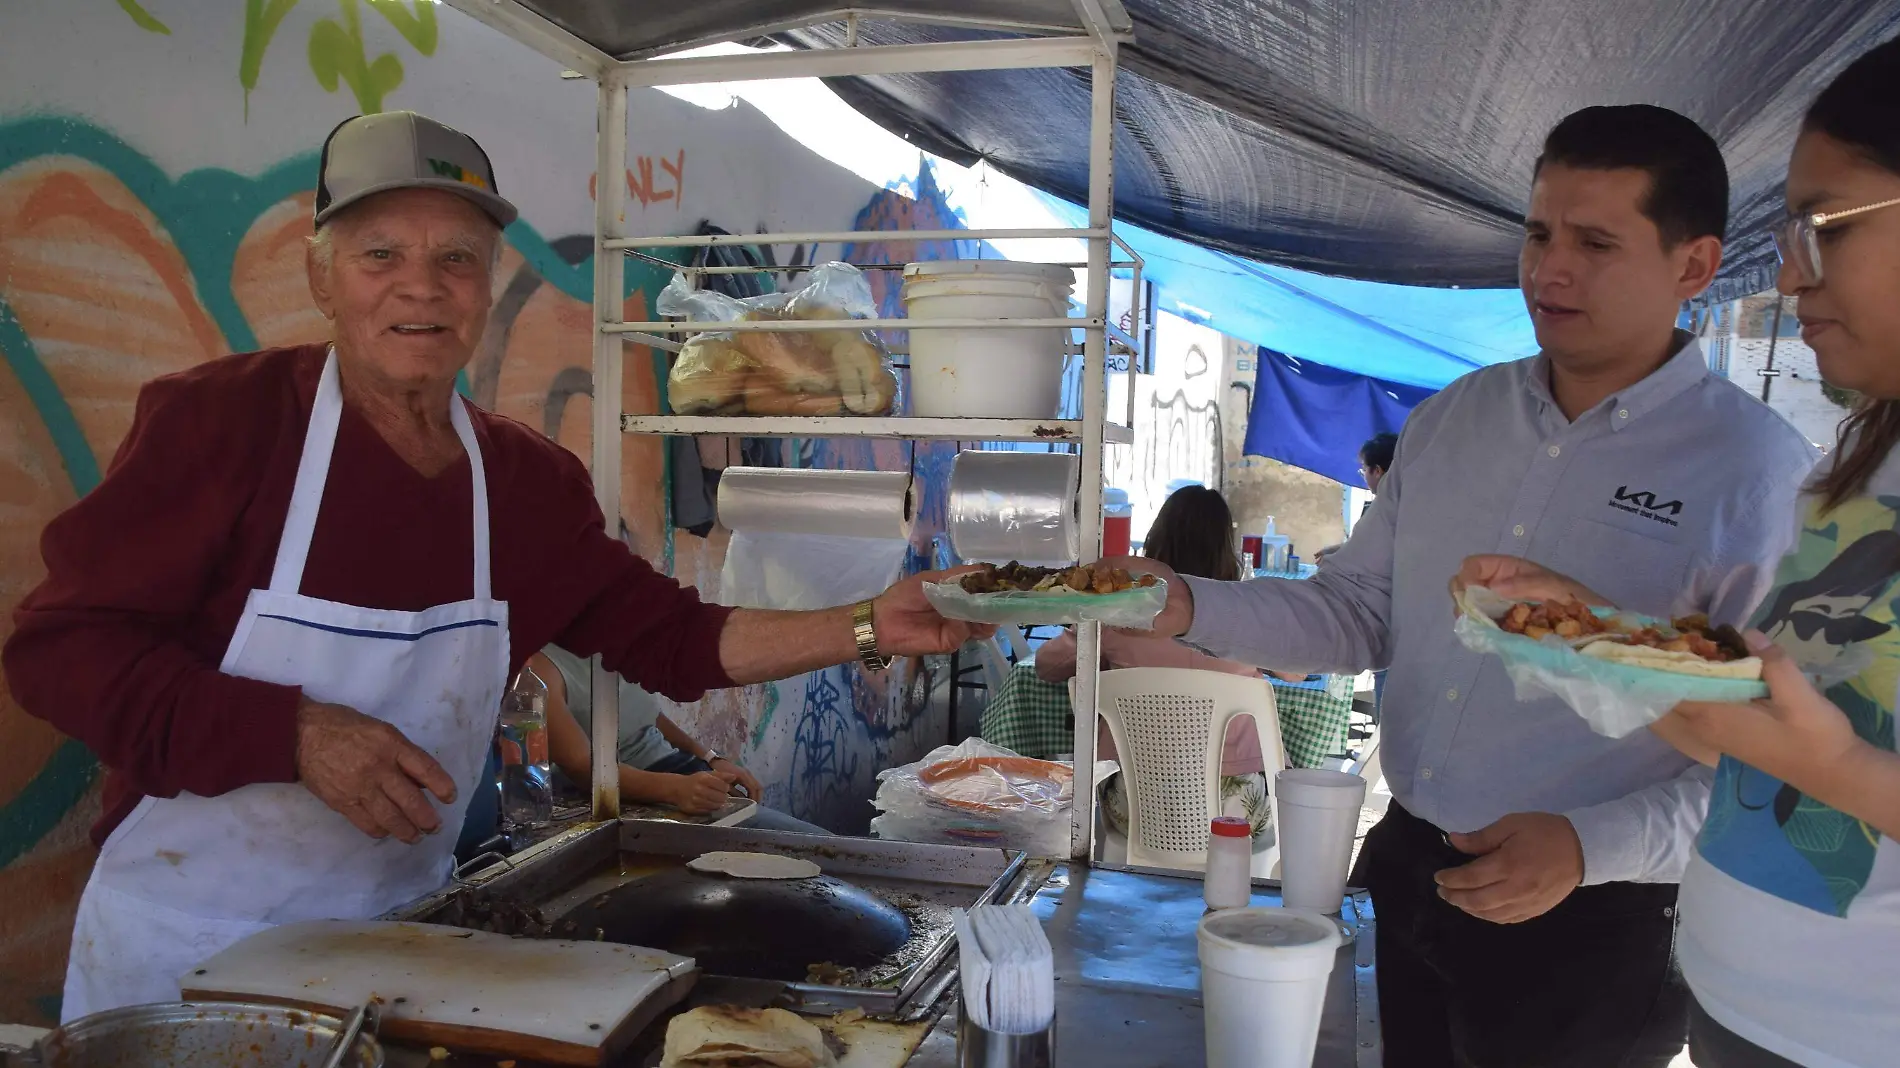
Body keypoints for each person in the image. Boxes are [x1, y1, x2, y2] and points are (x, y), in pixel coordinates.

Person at [1, 112, 986, 1021]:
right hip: (180, 957)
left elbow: (675, 637)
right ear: (319, 273)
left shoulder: (520, 484)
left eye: (456, 258)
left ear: (486, 284)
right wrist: (290, 732)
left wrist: (869, 622)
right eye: (379, 252)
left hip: (399, 944)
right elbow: (58, 653)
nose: (420, 285)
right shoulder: (223, 426)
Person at [1115, 105, 1819, 1067]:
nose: (1549, 269)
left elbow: (1770, 767)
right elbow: (1358, 614)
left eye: (1595, 243)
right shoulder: (1457, 419)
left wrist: (1589, 847)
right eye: (1538, 233)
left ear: (1693, 268)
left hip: (1596, 913)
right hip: (1407, 861)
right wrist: (1186, 604)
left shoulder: (1758, 474)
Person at [1459, 39, 1900, 1068]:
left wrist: (1833, 768)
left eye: (1822, 226)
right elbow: (1762, 726)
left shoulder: (1754, 457)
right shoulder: (1856, 464)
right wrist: (1593, 629)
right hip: (1740, 1007)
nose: (1789, 274)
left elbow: (1820, 751)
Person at [532, 646, 828, 834]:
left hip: (676, 772)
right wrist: (676, 789)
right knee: (810, 851)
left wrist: (712, 759)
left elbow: (652, 717)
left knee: (815, 845)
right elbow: (582, 766)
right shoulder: (538, 667)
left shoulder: (610, 644)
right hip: (625, 797)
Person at [1316, 432, 1400, 564]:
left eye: (1364, 469)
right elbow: (1367, 545)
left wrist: (1335, 559)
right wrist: (1337, 550)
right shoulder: (1398, 503)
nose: (1364, 476)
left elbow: (1375, 556)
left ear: (1377, 471)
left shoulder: (1385, 511)